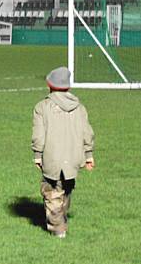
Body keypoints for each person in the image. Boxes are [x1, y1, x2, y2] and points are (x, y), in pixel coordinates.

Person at [32, 67, 95, 238]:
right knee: (66, 187)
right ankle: (61, 217)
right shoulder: (79, 108)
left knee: (51, 191)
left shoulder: (42, 107)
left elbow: (39, 135)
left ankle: (58, 229)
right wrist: (88, 155)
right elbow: (87, 132)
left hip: (53, 157)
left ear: (49, 84)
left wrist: (38, 155)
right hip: (74, 157)